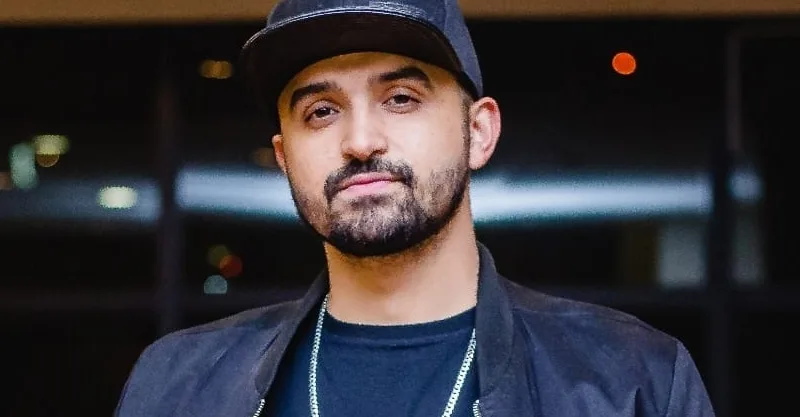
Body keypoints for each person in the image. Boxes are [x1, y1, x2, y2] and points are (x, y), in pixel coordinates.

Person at [115, 0, 717, 416]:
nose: (360, 141)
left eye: (400, 98)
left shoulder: (632, 383)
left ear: (478, 132)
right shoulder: (177, 387)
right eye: (321, 111)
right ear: (284, 156)